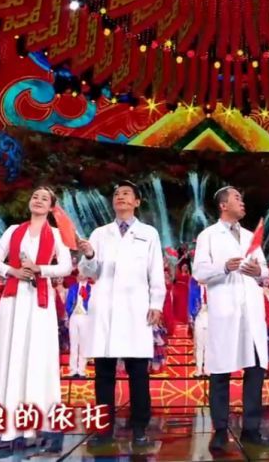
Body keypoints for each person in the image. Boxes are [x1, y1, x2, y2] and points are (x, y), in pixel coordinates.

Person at [0, 186, 72, 452]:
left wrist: (39, 269)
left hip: (40, 303)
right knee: (10, 353)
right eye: (35, 197)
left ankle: (40, 423)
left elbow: (66, 266)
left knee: (38, 356)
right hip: (13, 300)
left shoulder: (56, 235)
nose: (38, 201)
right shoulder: (12, 231)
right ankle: (6, 425)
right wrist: (13, 271)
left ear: (51, 207)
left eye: (44, 198)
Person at [77, 180, 166, 445]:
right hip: (105, 308)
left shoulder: (148, 233)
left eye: (127, 194)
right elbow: (88, 272)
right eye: (116, 194)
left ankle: (139, 428)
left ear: (137, 202)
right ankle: (103, 430)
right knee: (104, 373)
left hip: (136, 309)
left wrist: (156, 303)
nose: (121, 197)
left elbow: (156, 270)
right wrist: (89, 255)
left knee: (138, 372)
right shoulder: (100, 233)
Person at [192, 186, 269, 452]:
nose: (242, 201)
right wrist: (224, 266)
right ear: (223, 205)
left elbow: (265, 272)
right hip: (224, 309)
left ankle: (251, 429)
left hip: (251, 310)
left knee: (255, 369)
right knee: (220, 371)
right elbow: (199, 272)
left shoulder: (250, 236)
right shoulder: (208, 236)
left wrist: (258, 271)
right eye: (237, 198)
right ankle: (220, 429)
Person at [65, 272, 94, 378]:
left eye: (83, 273)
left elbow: (92, 303)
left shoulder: (91, 288)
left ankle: (81, 369)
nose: (81, 275)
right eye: (79, 273)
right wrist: (70, 314)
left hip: (85, 317)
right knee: (73, 344)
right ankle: (73, 369)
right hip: (74, 316)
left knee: (83, 344)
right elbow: (68, 302)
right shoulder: (73, 287)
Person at [192, 284, 209, 377]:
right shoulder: (196, 288)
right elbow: (191, 303)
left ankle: (207, 369)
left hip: (210, 318)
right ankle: (198, 370)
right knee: (199, 345)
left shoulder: (212, 288)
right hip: (199, 317)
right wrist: (195, 311)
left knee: (208, 346)